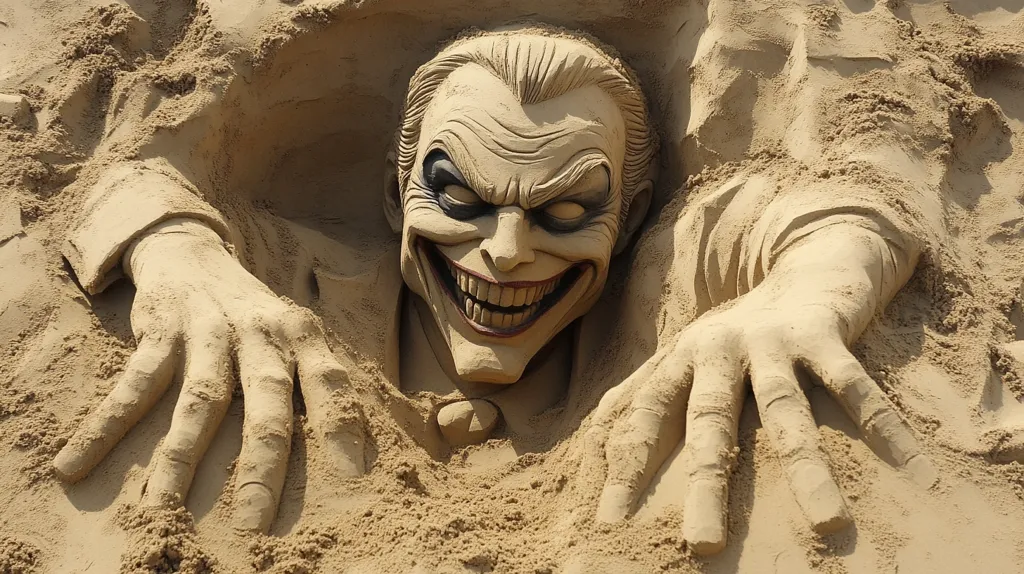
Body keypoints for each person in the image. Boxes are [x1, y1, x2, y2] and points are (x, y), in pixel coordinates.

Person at [51, 11, 948, 555]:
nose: (507, 250)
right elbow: (133, 184)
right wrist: (181, 259)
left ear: (632, 218)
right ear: (397, 195)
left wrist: (800, 301)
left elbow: (844, 209)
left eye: (564, 211)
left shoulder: (671, 277)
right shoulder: (304, 274)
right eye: (457, 197)